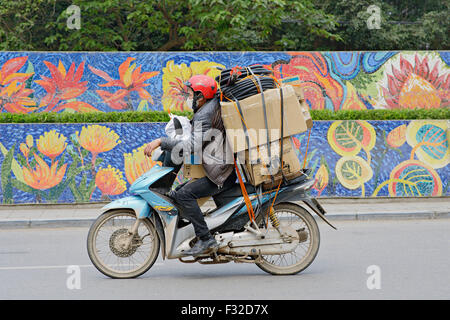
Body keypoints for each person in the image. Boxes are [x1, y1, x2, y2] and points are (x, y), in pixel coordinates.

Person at [144, 75, 236, 256]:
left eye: (192, 94)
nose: (189, 98)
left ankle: (206, 239)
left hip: (220, 173)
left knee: (184, 195)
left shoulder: (204, 113)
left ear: (201, 96)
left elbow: (192, 146)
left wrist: (161, 142)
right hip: (220, 166)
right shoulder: (209, 107)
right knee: (178, 193)